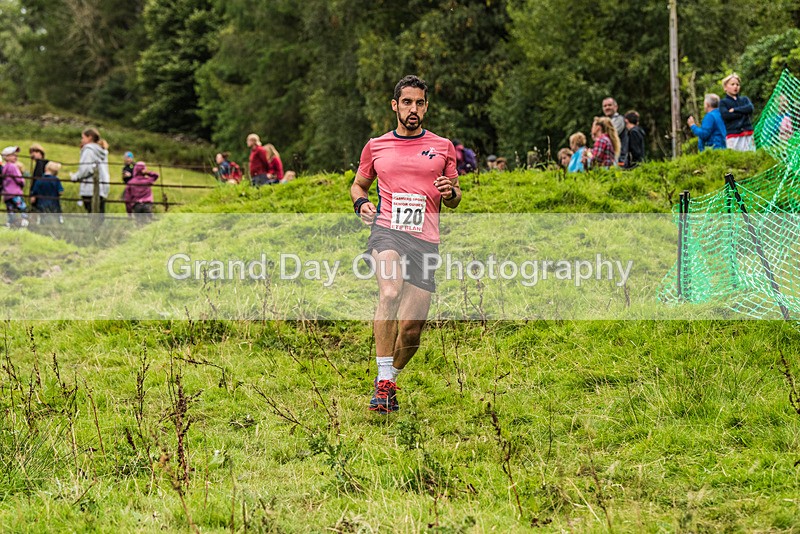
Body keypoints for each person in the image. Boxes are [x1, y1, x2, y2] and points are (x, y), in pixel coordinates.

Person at [350, 74, 461, 414]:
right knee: (389, 292)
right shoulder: (376, 145)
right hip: (388, 232)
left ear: (426, 107)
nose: (414, 109)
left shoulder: (443, 147)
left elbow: (455, 196)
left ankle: (389, 382)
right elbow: (359, 186)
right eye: (408, 102)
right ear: (395, 105)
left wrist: (450, 192)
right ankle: (383, 379)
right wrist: (362, 204)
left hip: (426, 241)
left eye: (420, 103)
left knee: (411, 332)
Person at [70, 128, 110, 216]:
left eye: (83, 137)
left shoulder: (89, 150)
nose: (82, 140)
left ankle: (93, 229)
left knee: (92, 214)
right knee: (99, 214)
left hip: (89, 188)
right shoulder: (101, 151)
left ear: (89, 138)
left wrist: (75, 177)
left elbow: (85, 169)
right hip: (102, 188)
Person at [720, 73, 755, 152]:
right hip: (733, 135)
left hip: (748, 133)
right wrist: (743, 112)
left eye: (737, 84)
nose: (735, 86)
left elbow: (750, 108)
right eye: (732, 84)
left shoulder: (744, 99)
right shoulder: (723, 102)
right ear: (725, 87)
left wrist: (735, 110)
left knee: (751, 155)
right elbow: (726, 115)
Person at [1, 146, 29, 228]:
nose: (16, 156)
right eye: (13, 155)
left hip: (7, 193)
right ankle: (24, 221)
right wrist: (22, 182)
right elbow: (19, 179)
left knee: (11, 209)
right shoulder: (13, 166)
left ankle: (10, 223)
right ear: (6, 157)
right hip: (15, 192)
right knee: (21, 207)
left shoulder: (5, 167)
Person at [602, 97, 628, 164]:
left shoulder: (619, 119)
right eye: (605, 106)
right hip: (610, 157)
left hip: (619, 158)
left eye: (610, 105)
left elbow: (610, 135)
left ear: (616, 107)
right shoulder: (605, 121)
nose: (607, 107)